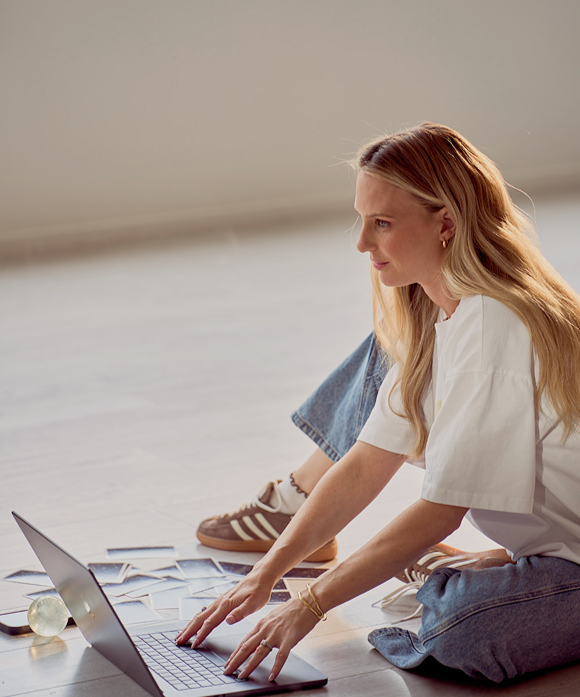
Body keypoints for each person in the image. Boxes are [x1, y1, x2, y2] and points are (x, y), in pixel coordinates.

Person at [177, 123, 580, 683]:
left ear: (446, 223)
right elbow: (365, 463)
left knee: (459, 633)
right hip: (562, 544)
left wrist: (310, 605)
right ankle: (494, 570)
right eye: (362, 220)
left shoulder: (493, 323)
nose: (362, 243)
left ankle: (489, 574)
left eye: (382, 223)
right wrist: (266, 574)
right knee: (454, 615)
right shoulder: (438, 317)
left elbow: (442, 509)